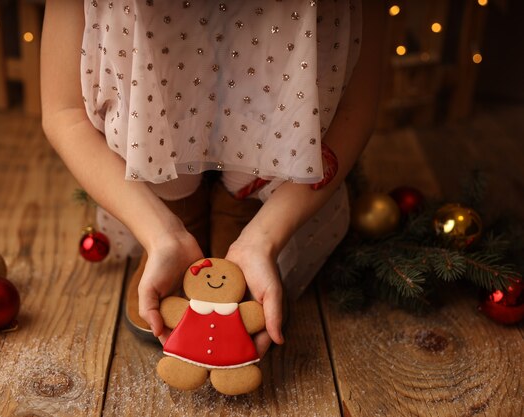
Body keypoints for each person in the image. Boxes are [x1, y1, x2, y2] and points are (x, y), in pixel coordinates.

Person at [41, 0, 384, 356]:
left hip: (271, 184)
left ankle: (241, 207)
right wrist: (162, 234)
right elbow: (65, 111)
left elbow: (355, 107)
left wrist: (263, 238)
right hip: (159, 186)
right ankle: (177, 206)